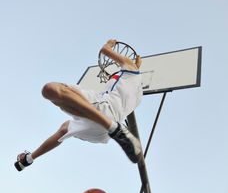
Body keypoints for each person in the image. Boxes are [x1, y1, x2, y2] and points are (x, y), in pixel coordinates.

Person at [14, 39, 143, 171]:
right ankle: (28, 159)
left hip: (106, 110)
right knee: (64, 128)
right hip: (101, 134)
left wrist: (110, 43)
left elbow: (105, 50)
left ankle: (113, 127)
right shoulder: (138, 95)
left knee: (50, 89)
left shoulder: (129, 67)